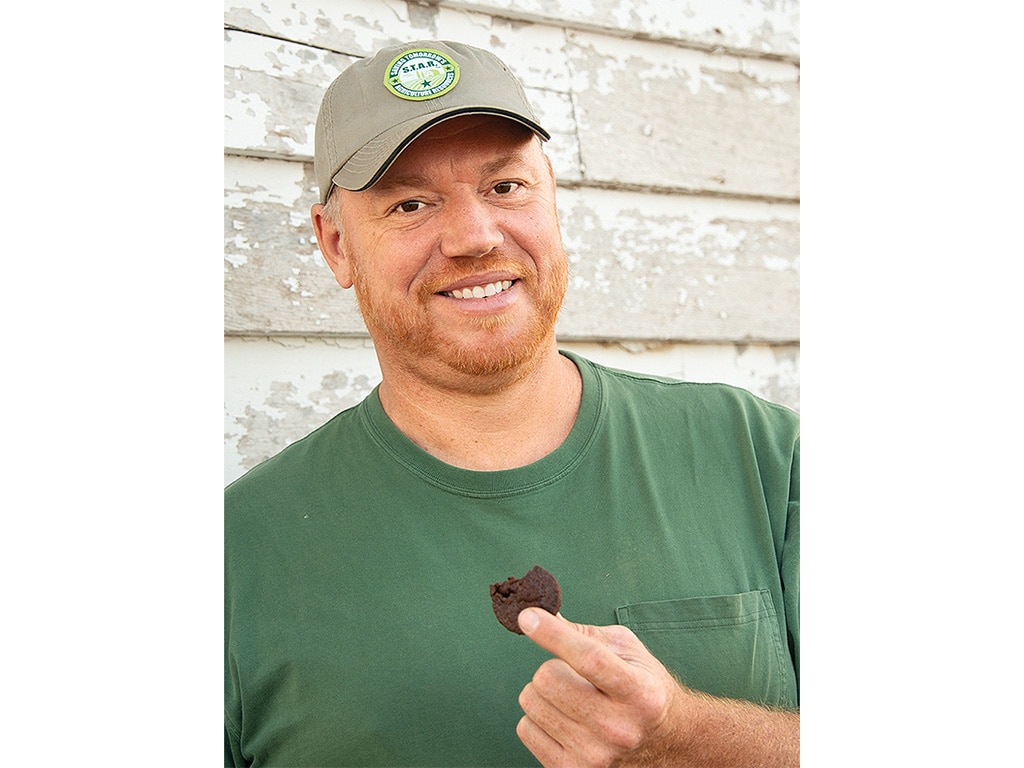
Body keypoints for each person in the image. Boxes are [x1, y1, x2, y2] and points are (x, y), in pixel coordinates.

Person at [225, 39, 799, 767]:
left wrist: (687, 735)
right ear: (335, 244)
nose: (474, 236)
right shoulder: (236, 555)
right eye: (411, 202)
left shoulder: (764, 459)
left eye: (505, 188)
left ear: (551, 195)